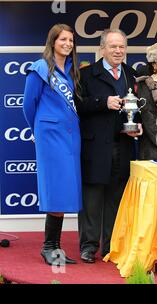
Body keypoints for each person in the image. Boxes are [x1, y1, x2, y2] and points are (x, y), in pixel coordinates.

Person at [75, 29, 142, 263]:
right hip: (94, 148)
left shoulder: (131, 75)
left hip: (122, 145)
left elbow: (136, 109)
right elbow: (77, 105)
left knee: (116, 200)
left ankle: (110, 247)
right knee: (91, 200)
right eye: (113, 46)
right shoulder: (85, 74)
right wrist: (103, 102)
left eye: (122, 47)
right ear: (102, 48)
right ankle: (88, 246)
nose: (118, 51)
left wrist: (138, 126)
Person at [23, 23, 81, 265]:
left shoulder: (71, 69)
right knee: (56, 187)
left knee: (66, 188)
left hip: (71, 136)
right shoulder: (39, 69)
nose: (67, 44)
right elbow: (29, 105)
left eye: (70, 40)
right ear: (53, 42)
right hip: (50, 137)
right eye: (63, 40)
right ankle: (49, 247)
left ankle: (54, 247)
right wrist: (38, 129)